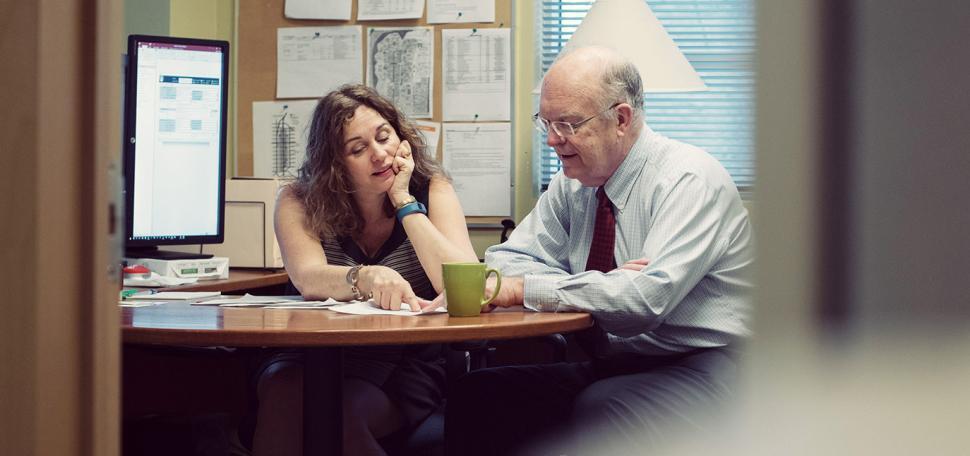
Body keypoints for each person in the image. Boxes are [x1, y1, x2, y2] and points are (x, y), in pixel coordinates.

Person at [444, 46, 754, 454]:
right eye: (547, 123)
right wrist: (608, 285)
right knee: (478, 394)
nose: (554, 140)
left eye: (569, 124)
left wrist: (527, 289)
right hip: (620, 361)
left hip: (711, 366)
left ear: (621, 119)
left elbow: (643, 302)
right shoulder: (573, 181)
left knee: (604, 408)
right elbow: (506, 260)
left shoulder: (689, 180)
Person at [252, 84, 478, 455]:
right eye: (358, 149)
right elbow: (308, 277)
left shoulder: (432, 189)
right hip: (315, 353)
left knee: (341, 415)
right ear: (336, 166)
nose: (379, 155)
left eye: (384, 137)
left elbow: (462, 285)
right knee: (283, 396)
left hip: (402, 362)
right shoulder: (298, 199)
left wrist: (404, 202)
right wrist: (364, 277)